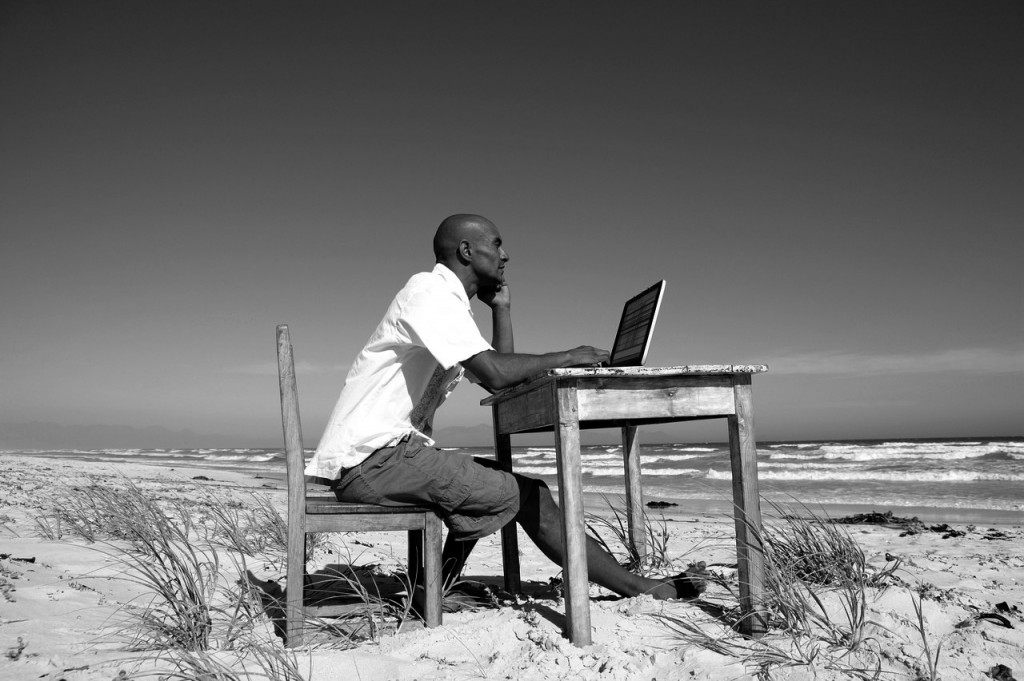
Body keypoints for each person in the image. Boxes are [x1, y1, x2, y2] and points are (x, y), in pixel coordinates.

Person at [305, 213, 705, 610]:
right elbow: (496, 374)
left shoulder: (447, 305)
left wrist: (501, 309)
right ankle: (642, 588)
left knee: (490, 481)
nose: (506, 254)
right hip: (375, 462)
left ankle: (434, 585)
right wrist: (570, 355)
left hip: (383, 458)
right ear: (466, 250)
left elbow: (501, 369)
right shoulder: (428, 293)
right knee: (531, 495)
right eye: (496, 243)